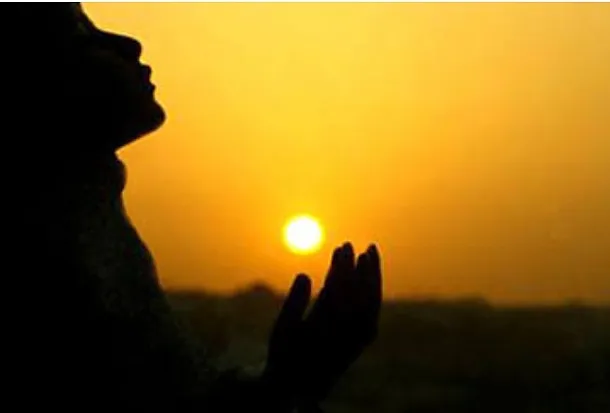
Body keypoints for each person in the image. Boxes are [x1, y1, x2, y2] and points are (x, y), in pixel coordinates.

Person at [4, 3, 382, 412]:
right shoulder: (47, 245)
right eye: (80, 35)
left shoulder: (82, 210)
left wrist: (288, 380)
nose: (129, 44)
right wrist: (288, 385)